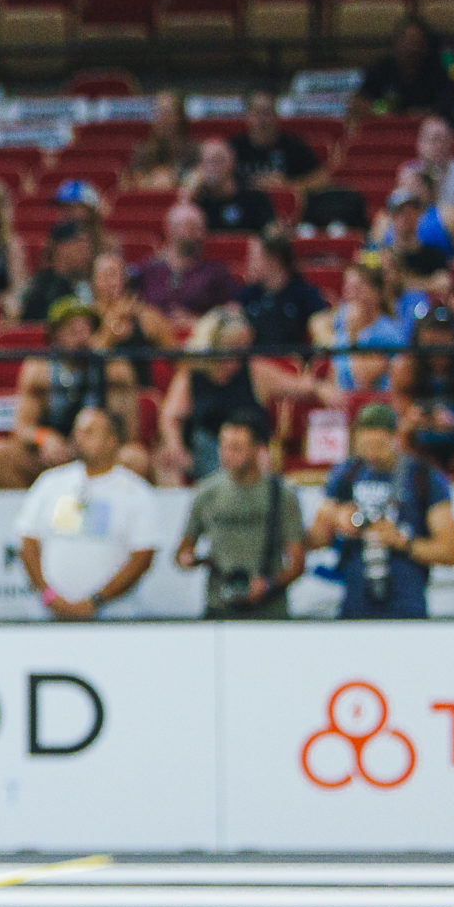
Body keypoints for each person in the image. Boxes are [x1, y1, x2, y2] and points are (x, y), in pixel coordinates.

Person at [157, 303, 333, 485]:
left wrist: (320, 388)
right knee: (167, 461)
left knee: (260, 456)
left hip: (249, 449)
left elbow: (298, 386)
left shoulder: (254, 371)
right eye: (230, 348)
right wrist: (175, 446)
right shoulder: (192, 376)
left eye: (240, 349)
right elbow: (170, 417)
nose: (235, 357)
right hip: (206, 450)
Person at [311, 402, 454, 619]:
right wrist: (337, 518)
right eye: (365, 445)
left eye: (379, 445)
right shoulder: (345, 475)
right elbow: (314, 539)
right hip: (355, 606)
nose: (371, 454)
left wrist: (403, 543)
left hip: (406, 606)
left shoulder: (423, 477)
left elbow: (448, 552)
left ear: (395, 438)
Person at [16, 404, 161, 621]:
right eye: (77, 431)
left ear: (112, 440)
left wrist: (97, 601)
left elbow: (142, 557)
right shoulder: (51, 483)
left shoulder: (135, 492)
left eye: (89, 432)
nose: (78, 437)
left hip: (113, 616)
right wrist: (49, 596)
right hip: (50, 615)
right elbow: (28, 542)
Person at [0, 298, 142, 489]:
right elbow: (22, 426)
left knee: (134, 458)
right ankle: (35, 511)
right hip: (52, 453)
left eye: (87, 329)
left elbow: (128, 430)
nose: (81, 337)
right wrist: (44, 438)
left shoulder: (115, 369)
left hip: (99, 453)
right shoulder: (39, 370)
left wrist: (97, 444)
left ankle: (109, 508)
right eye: (72, 330)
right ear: (55, 335)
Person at [174, 407, 304, 620]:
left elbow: (297, 561)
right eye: (224, 446)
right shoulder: (206, 493)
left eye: (237, 448)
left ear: (257, 449)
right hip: (219, 604)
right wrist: (193, 560)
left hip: (269, 609)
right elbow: (182, 552)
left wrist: (267, 585)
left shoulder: (281, 494)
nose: (228, 455)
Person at [392, 301, 454, 480]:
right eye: (432, 334)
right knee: (401, 437)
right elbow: (402, 417)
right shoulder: (405, 367)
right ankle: (406, 495)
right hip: (422, 439)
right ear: (420, 336)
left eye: (444, 334)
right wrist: (419, 420)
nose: (438, 341)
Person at [315, 252, 412, 392]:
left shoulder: (388, 333)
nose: (350, 294)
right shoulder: (344, 323)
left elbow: (362, 380)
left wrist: (354, 335)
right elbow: (335, 373)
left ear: (376, 293)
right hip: (343, 403)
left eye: (358, 288)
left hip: (374, 405)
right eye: (348, 288)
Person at [133, 202, 239, 324]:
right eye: (190, 227)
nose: (196, 234)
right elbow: (134, 308)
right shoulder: (149, 270)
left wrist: (196, 321)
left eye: (200, 228)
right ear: (170, 229)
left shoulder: (216, 272)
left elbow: (231, 315)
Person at [237, 230, 326, 356]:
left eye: (254, 257)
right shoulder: (247, 295)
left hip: (293, 364)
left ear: (274, 260)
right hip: (255, 365)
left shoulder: (304, 294)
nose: (248, 263)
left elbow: (322, 326)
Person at [355, 18, 454, 119]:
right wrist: (382, 112)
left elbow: (449, 102)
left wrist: (428, 113)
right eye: (407, 42)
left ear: (425, 45)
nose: (412, 49)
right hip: (386, 128)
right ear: (396, 43)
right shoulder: (382, 68)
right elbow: (360, 101)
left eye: (417, 42)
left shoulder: (436, 70)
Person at [231, 91, 324, 188]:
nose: (262, 120)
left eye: (267, 113)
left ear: (277, 116)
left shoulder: (293, 146)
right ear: (247, 115)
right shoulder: (232, 148)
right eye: (257, 113)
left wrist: (287, 185)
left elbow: (322, 178)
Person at [14, 216, 96, 326]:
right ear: (62, 247)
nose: (88, 253)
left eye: (88, 247)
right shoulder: (37, 289)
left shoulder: (87, 284)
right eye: (81, 246)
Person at [183, 138, 274, 235]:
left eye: (219, 160)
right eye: (208, 162)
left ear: (232, 162)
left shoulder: (255, 198)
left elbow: (271, 236)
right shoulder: (199, 202)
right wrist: (186, 198)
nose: (214, 167)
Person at [126, 93, 198, 187]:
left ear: (180, 117)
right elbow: (129, 183)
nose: (162, 119)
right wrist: (151, 181)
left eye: (167, 113)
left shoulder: (193, 150)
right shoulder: (144, 151)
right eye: (158, 113)